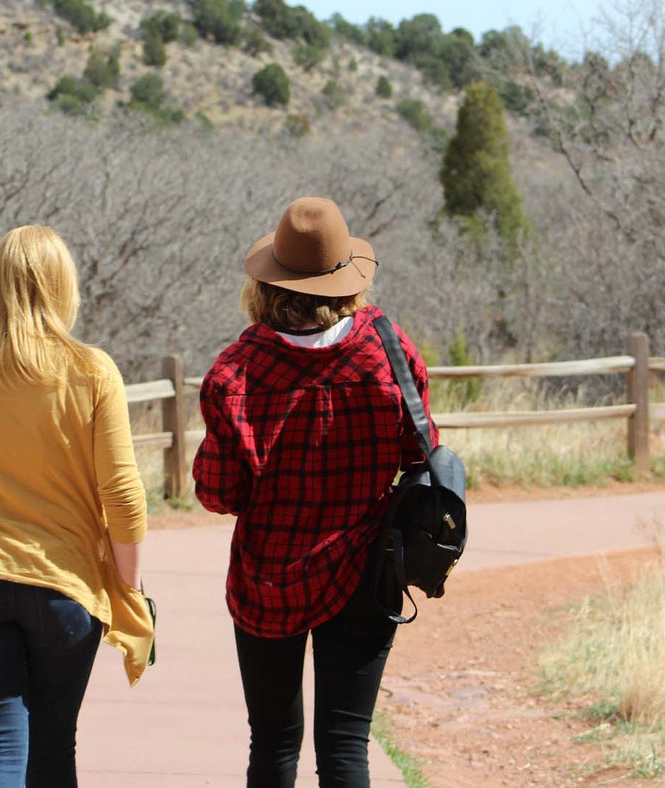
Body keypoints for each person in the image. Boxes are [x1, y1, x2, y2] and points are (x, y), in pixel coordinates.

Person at [193, 197, 435, 788]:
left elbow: (218, 493)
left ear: (268, 283)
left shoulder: (236, 371)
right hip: (364, 571)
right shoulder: (387, 350)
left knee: (273, 743)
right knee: (346, 743)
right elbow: (422, 451)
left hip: (267, 578)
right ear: (344, 280)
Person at [0, 225, 153, 788]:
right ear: (62, 286)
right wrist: (129, 586)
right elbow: (121, 492)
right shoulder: (92, 369)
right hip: (61, 585)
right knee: (52, 748)